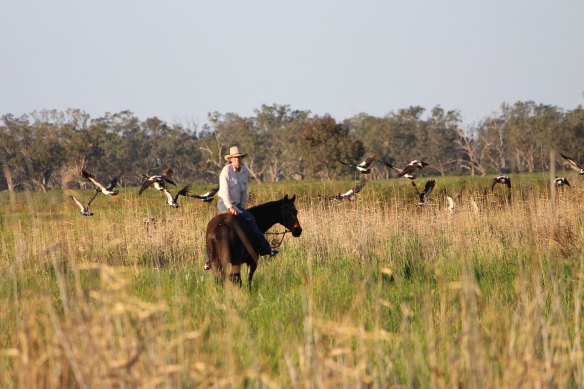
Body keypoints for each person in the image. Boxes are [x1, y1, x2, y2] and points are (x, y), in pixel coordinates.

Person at [203, 146, 277, 270]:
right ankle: (208, 259)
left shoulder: (244, 171)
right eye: (235, 158)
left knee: (250, 219)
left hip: (237, 204)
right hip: (224, 202)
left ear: (241, 158)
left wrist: (242, 206)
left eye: (239, 157)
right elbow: (225, 190)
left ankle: (265, 248)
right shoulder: (226, 171)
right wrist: (230, 207)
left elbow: (244, 190)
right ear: (231, 159)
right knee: (214, 226)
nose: (237, 160)